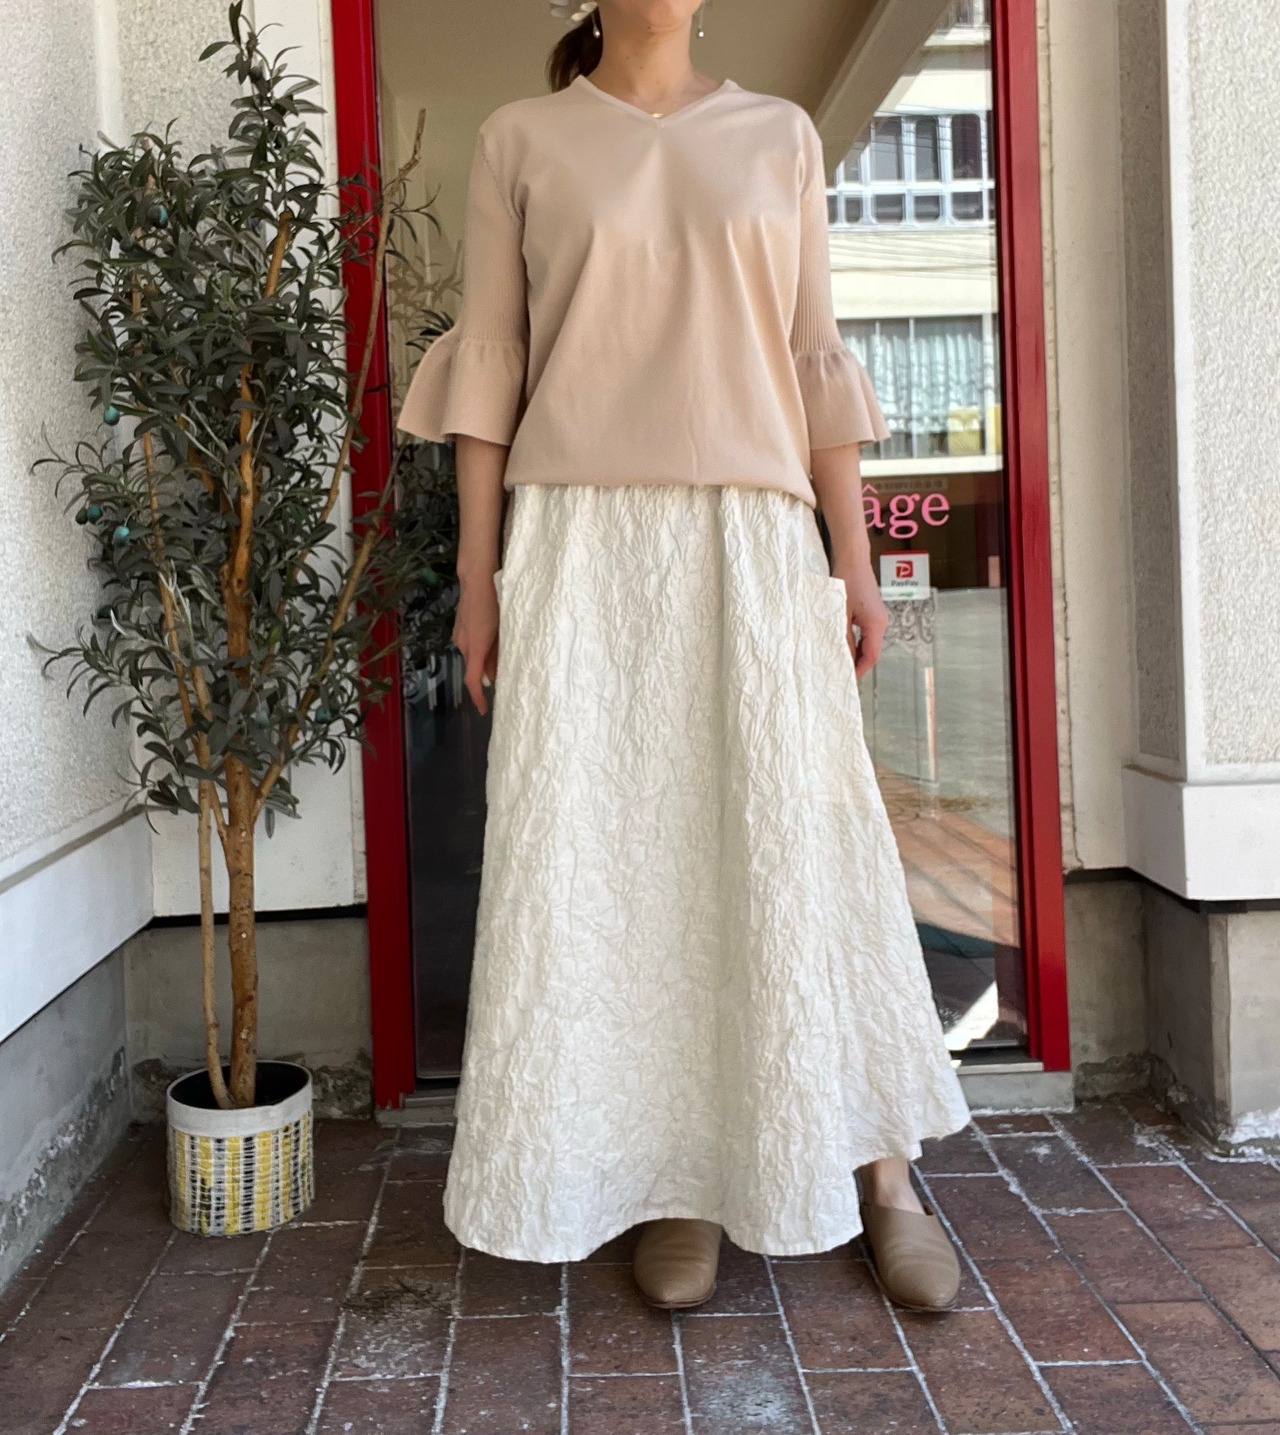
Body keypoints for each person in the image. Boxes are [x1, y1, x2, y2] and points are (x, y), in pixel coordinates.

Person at [397, 0, 972, 1314]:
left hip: (754, 541)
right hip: (581, 546)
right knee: (625, 855)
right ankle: (681, 1183)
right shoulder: (523, 139)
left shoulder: (779, 137)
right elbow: (491, 369)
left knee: (806, 835)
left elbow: (813, 357)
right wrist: (480, 581)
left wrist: (855, 558)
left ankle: (886, 1178)